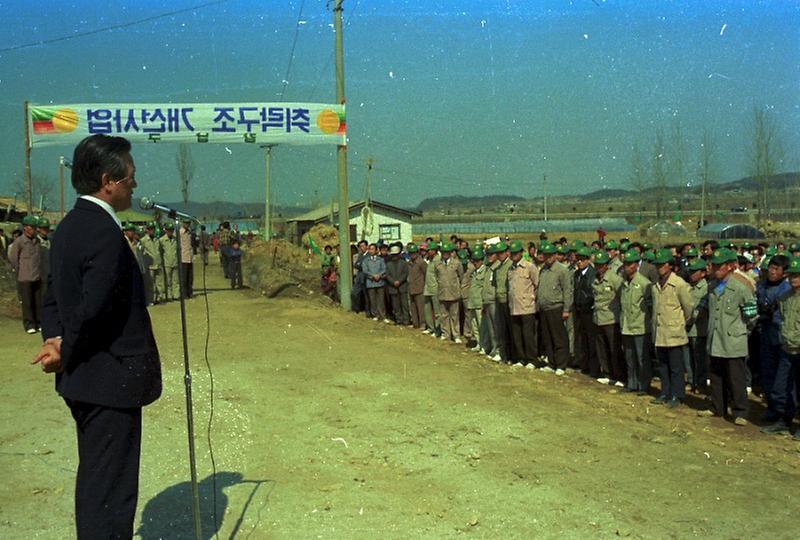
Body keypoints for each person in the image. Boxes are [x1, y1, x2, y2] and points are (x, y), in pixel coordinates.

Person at [33, 134, 161, 538]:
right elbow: (96, 309)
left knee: (96, 481)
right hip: (109, 379)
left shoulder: (69, 226)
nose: (135, 185)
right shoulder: (105, 232)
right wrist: (66, 347)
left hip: (84, 379)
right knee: (112, 489)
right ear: (109, 180)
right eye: (130, 179)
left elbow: (53, 294)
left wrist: (54, 339)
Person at [699, 249, 757, 426]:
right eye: (714, 264)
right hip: (716, 338)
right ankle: (718, 407)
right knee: (716, 376)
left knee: (736, 378)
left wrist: (740, 333)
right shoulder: (712, 286)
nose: (715, 268)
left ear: (730, 266)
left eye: (719, 265)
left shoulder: (741, 287)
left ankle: (740, 412)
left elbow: (752, 316)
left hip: (733, 341)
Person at [651, 248, 693, 408]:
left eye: (662, 265)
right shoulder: (656, 285)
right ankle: (665, 392)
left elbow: (688, 308)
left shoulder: (679, 284)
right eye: (658, 265)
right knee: (663, 365)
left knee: (676, 367)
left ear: (670, 265)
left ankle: (677, 394)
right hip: (660, 331)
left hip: (674, 331)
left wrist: (680, 323)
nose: (659, 268)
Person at [771, 257, 800, 439]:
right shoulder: (784, 297)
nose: (793, 279)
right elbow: (780, 318)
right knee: (781, 387)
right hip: (787, 348)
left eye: (797, 275)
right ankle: (784, 420)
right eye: (791, 275)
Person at [536, 242, 573, 373]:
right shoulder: (543, 269)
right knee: (548, 337)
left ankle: (561, 364)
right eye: (545, 255)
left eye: (549, 255)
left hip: (556, 307)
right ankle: (551, 363)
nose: (547, 258)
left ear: (555, 255)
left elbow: (567, 290)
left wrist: (566, 309)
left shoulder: (562, 270)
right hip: (544, 308)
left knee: (559, 338)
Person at [620, 250, 652, 394]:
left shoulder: (644, 283)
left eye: (628, 264)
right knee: (629, 358)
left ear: (635, 266)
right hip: (627, 326)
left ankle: (643, 385)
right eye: (624, 264)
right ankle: (632, 383)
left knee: (641, 358)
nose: (626, 267)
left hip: (640, 327)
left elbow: (650, 305)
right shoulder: (624, 283)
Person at [592, 251, 624, 386]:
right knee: (602, 348)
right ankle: (607, 373)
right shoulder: (595, 279)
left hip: (611, 319)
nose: (599, 267)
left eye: (601, 265)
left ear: (606, 266)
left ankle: (619, 376)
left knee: (614, 349)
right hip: (598, 318)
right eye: (597, 265)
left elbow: (622, 296)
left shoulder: (615, 279)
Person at [507, 240, 540, 366]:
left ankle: (532, 359)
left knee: (528, 336)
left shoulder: (529, 267)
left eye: (516, 253)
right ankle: (521, 358)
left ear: (521, 253)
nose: (514, 255)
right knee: (517, 336)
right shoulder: (511, 269)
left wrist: (532, 299)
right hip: (514, 307)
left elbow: (536, 285)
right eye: (512, 253)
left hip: (527, 307)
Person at [9, 215, 43, 333]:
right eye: (32, 227)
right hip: (25, 277)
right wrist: (20, 271)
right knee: (27, 302)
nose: (34, 229)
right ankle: (29, 324)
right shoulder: (19, 242)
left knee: (38, 301)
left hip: (37, 276)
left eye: (35, 227)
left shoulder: (37, 241)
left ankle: (39, 322)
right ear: (25, 228)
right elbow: (13, 259)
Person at [685, 258, 710, 393]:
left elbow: (700, 310)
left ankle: (700, 383)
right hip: (687, 329)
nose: (692, 274)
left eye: (695, 272)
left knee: (699, 359)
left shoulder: (706, 288)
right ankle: (691, 381)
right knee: (688, 359)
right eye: (691, 271)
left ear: (703, 273)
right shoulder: (688, 287)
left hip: (699, 330)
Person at [435, 242, 465, 342]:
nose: (445, 254)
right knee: (444, 315)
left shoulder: (456, 263)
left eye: (447, 252)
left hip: (454, 294)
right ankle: (445, 334)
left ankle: (456, 335)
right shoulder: (438, 264)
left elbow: (461, 276)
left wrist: (458, 289)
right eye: (443, 252)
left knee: (454, 315)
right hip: (442, 293)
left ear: (450, 253)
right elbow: (436, 277)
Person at [362, 243, 388, 322]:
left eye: (373, 249)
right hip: (370, 282)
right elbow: (365, 270)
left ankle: (382, 315)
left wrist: (379, 275)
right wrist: (372, 276)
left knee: (381, 300)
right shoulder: (366, 260)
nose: (371, 251)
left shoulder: (381, 259)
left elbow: (384, 268)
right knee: (372, 299)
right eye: (370, 249)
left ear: (376, 250)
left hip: (380, 281)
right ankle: (375, 314)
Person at [385, 245, 410, 325]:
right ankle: (399, 320)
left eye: (396, 254)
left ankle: (406, 320)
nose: (394, 256)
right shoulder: (388, 264)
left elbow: (405, 273)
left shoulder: (404, 263)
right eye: (393, 255)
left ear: (399, 254)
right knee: (396, 306)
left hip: (402, 287)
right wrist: (393, 282)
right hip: (393, 288)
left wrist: (399, 281)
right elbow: (387, 275)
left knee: (404, 305)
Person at [139, 223, 163, 305]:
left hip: (158, 263)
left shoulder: (157, 239)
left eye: (153, 229)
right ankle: (151, 300)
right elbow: (140, 252)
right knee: (150, 284)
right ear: (147, 230)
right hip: (150, 266)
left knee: (159, 283)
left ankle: (159, 298)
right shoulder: (143, 240)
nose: (151, 230)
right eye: (150, 229)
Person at [407, 243, 427, 329]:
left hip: (420, 288)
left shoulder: (421, 263)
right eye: (410, 253)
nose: (412, 254)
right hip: (411, 288)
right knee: (413, 307)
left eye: (414, 252)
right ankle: (415, 323)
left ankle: (423, 324)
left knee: (421, 308)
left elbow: (426, 274)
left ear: (417, 252)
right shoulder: (409, 263)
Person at [423, 242, 441, 335]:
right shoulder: (429, 260)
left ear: (434, 251)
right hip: (427, 288)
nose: (428, 252)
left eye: (430, 250)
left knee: (437, 311)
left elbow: (439, 276)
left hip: (435, 289)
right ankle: (430, 327)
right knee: (427, 310)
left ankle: (438, 330)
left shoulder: (438, 260)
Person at [160, 227, 179, 301]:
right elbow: (161, 252)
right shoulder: (162, 240)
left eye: (171, 230)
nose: (170, 232)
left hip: (175, 262)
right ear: (166, 231)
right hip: (167, 263)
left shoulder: (176, 239)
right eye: (169, 230)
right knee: (168, 281)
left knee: (176, 281)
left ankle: (176, 295)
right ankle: (169, 296)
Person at [179, 220, 194, 299]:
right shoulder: (180, 232)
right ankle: (184, 294)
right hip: (183, 257)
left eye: (188, 223)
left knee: (190, 277)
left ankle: (190, 292)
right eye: (186, 223)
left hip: (190, 257)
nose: (187, 224)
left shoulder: (189, 232)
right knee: (184, 278)